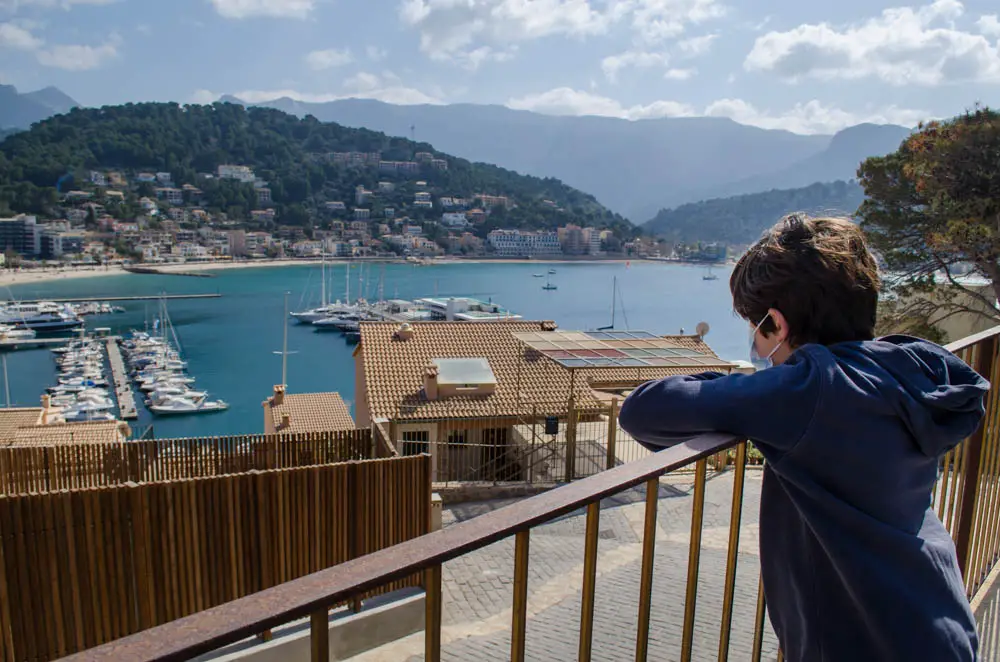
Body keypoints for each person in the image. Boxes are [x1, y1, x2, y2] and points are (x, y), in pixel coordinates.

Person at [619, 214, 987, 661]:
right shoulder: (904, 368)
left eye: (756, 329)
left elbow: (643, 411)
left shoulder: (808, 392)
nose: (755, 344)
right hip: (937, 624)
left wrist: (742, 384)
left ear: (776, 324)